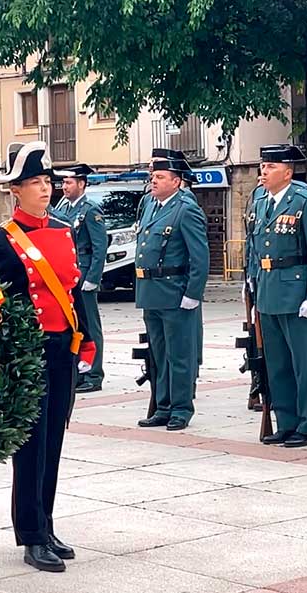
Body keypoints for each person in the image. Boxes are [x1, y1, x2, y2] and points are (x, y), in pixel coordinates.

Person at [0, 141, 96, 573]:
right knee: (29, 444)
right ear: (15, 190)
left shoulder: (63, 231)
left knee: (54, 439)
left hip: (61, 347)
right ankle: (30, 534)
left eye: (47, 181)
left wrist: (85, 339)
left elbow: (72, 289)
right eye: (33, 182)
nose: (44, 189)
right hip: (25, 352)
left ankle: (46, 524)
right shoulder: (0, 241)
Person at [247, 145, 307, 448]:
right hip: (268, 290)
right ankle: (286, 422)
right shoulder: (261, 201)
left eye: (270, 167)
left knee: (302, 363)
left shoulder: (304, 202)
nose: (263, 172)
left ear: (287, 172)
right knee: (277, 363)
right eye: (262, 167)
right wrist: (252, 281)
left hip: (295, 292)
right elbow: (256, 247)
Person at [133, 158, 209, 430]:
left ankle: (181, 408)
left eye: (161, 177)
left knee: (179, 355)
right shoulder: (150, 205)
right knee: (159, 354)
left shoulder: (186, 209)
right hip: (151, 291)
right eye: (154, 176)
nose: (154, 180)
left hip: (175, 291)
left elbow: (200, 256)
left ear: (176, 182)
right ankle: (162, 406)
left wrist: (193, 293)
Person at [56, 164, 108, 393]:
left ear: (81, 184)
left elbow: (99, 247)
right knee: (72, 325)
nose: (64, 187)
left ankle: (94, 374)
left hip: (84, 273)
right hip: (67, 276)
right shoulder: (62, 207)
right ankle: (77, 371)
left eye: (69, 182)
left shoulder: (91, 210)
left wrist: (93, 278)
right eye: (63, 182)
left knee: (90, 326)